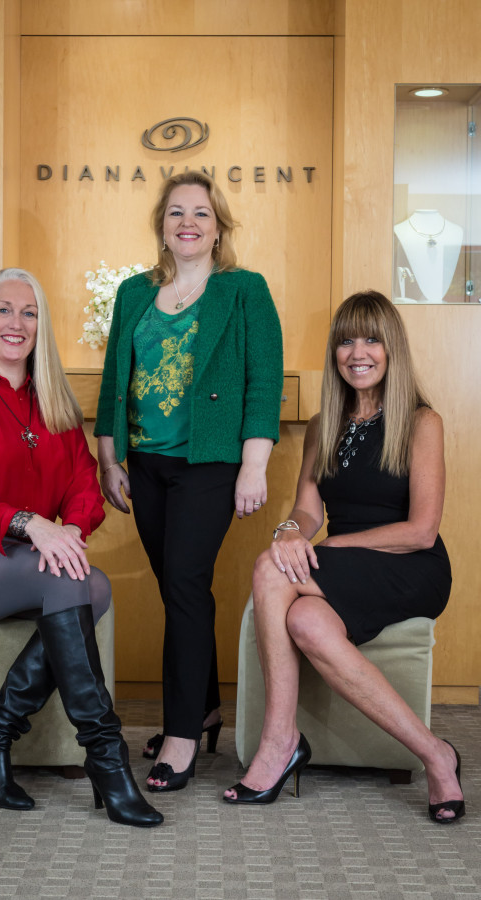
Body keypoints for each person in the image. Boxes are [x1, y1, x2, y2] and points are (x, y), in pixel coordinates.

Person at [0, 267, 163, 828]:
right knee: (74, 581)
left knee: (94, 585)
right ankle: (107, 760)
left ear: (41, 327)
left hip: (18, 557)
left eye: (30, 312)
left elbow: (84, 487)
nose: (15, 323)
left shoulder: (56, 404)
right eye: (3, 309)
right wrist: (30, 524)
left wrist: (66, 528)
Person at [224, 290, 464, 825]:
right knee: (305, 618)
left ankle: (279, 741)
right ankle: (435, 754)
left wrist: (330, 546)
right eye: (346, 340)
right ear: (335, 352)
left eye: (372, 339)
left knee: (268, 569)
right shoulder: (322, 424)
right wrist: (288, 533)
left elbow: (422, 531)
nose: (358, 351)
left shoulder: (422, 421)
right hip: (347, 568)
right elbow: (306, 510)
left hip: (408, 565)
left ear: (391, 349)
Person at [95, 171, 284, 792]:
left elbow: (263, 381)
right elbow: (111, 381)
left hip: (210, 463)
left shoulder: (243, 291)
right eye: (176, 213)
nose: (188, 223)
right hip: (145, 464)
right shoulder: (132, 293)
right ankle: (202, 707)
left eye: (201, 213)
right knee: (181, 587)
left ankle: (180, 736)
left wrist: (253, 464)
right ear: (162, 226)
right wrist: (110, 456)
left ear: (218, 225)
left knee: (182, 581)